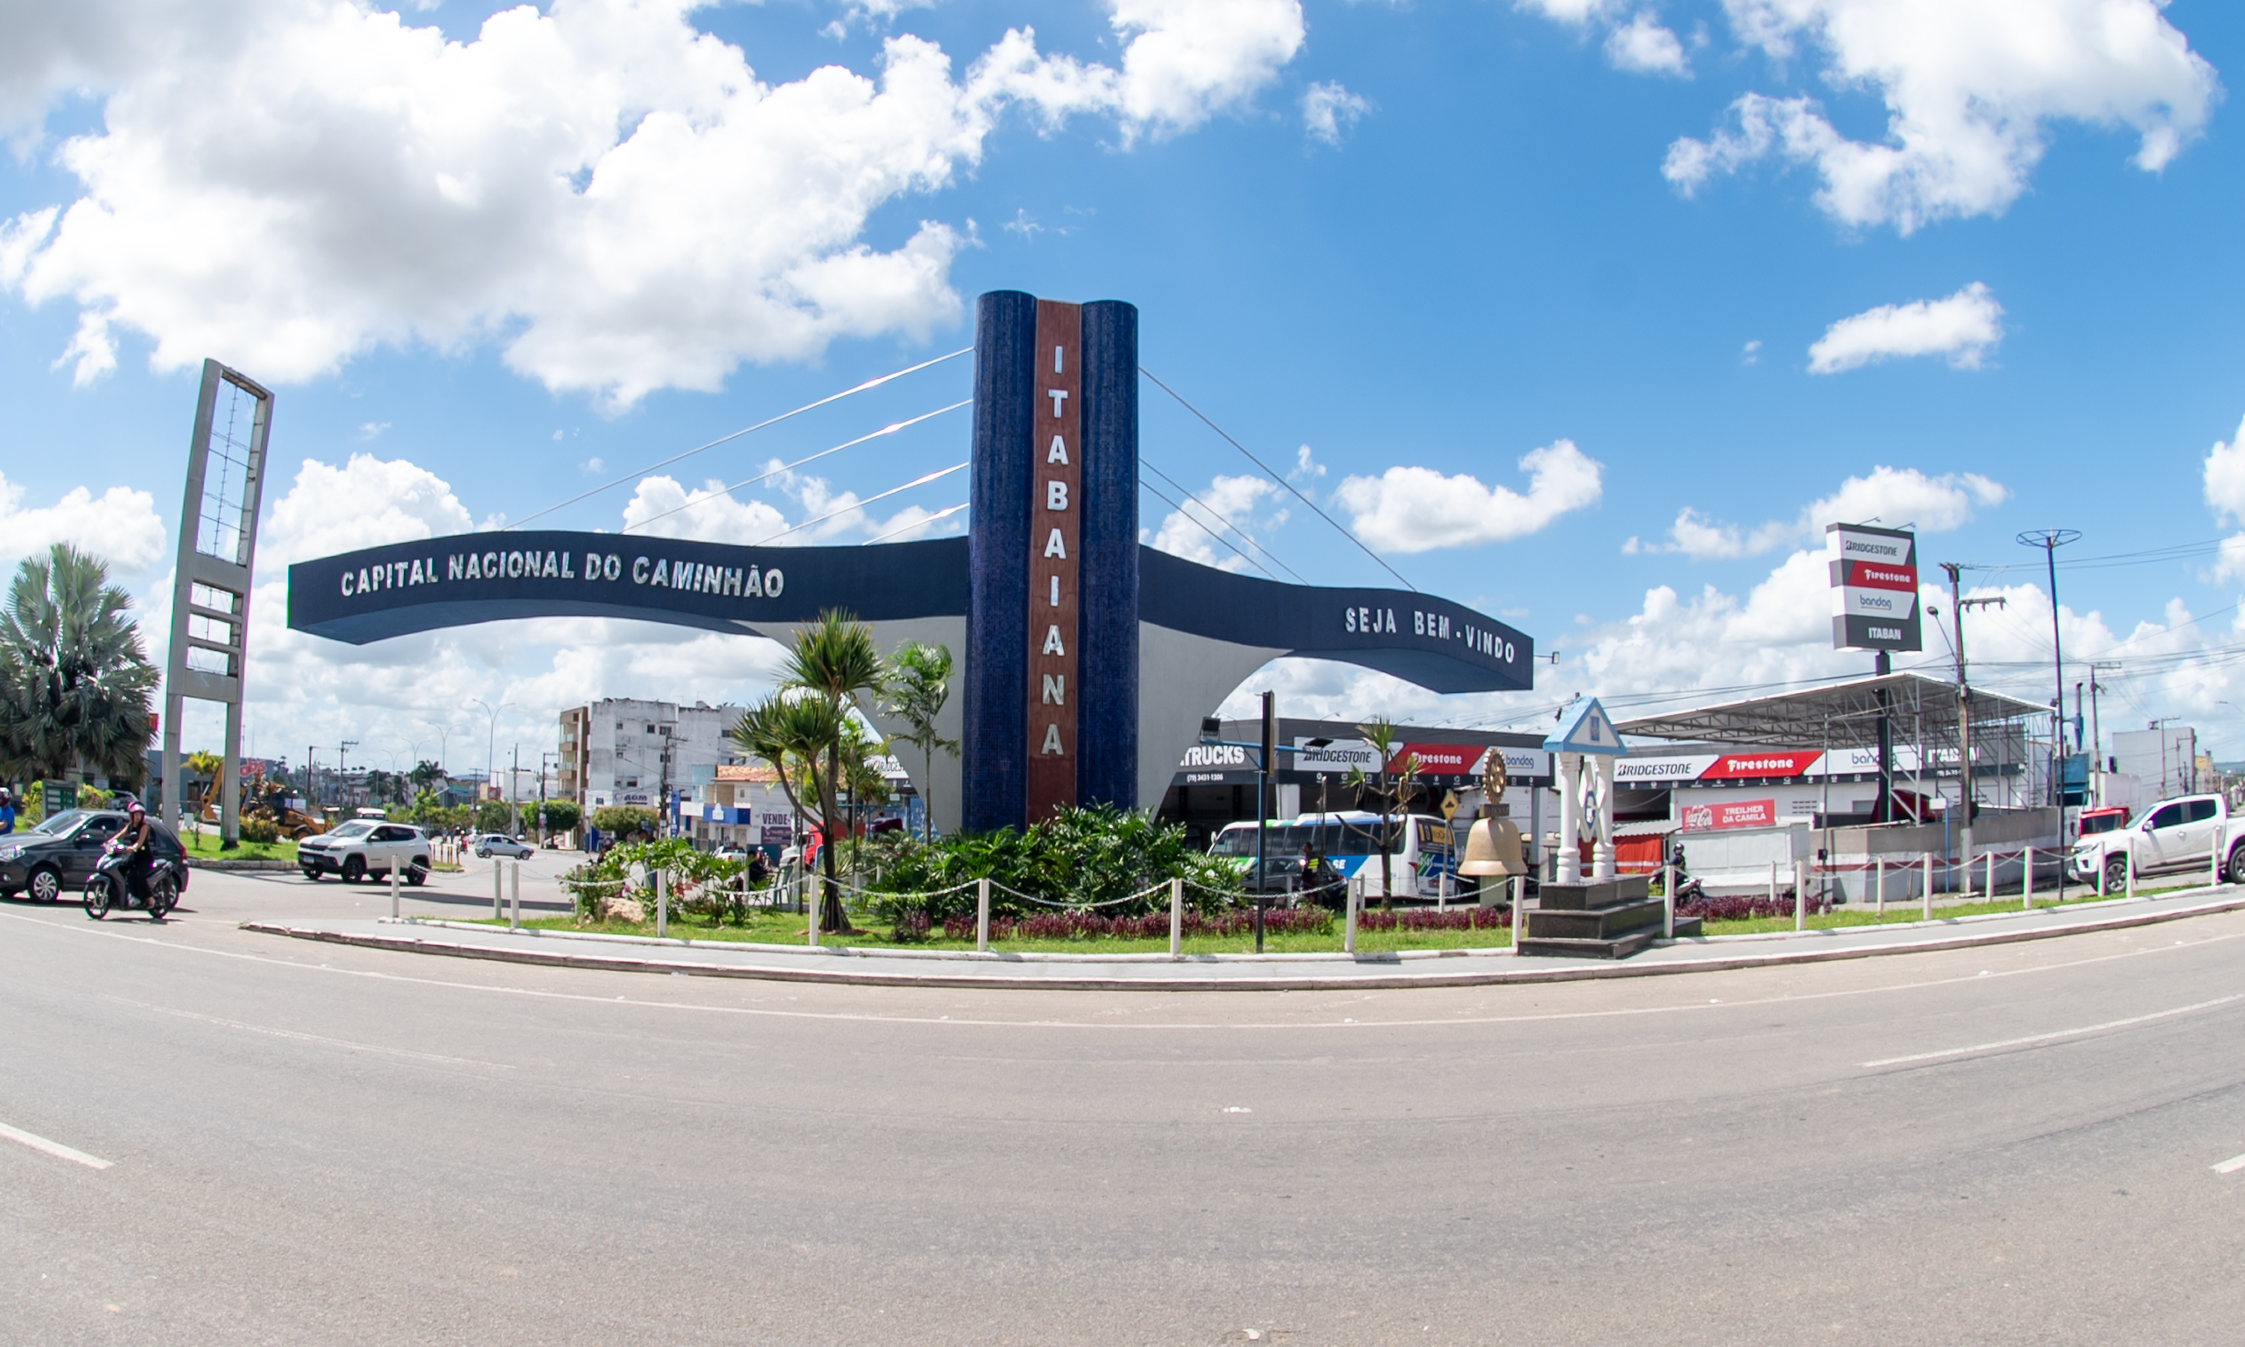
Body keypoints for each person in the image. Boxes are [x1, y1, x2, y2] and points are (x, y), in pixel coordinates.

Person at [115, 799, 155, 899]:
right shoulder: (130, 826)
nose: (138, 817)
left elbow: (140, 842)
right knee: (121, 869)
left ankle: (149, 899)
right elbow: (119, 836)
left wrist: (133, 847)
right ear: (131, 815)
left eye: (140, 815)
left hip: (144, 857)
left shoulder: (144, 826)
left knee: (139, 875)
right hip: (134, 857)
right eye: (136, 814)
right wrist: (109, 843)